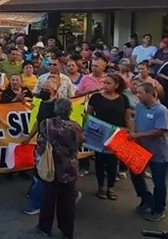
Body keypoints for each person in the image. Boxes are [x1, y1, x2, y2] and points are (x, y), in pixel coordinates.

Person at [37, 97, 83, 239]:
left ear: (55, 109)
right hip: (69, 169)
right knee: (68, 203)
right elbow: (79, 144)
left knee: (47, 199)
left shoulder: (47, 123)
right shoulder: (75, 127)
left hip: (51, 167)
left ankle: (45, 228)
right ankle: (66, 231)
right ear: (70, 110)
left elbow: (40, 146)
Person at [86, 74, 132, 200]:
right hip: (100, 133)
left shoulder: (123, 99)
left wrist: (131, 131)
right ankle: (101, 186)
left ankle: (110, 187)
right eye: (104, 83)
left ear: (116, 85)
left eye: (108, 83)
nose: (105, 85)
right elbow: (89, 116)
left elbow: (127, 117)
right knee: (100, 161)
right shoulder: (96, 97)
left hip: (117, 134)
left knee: (113, 162)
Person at [131, 82, 168, 221]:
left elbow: (161, 130)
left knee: (159, 183)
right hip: (140, 151)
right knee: (135, 175)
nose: (138, 95)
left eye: (140, 93)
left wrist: (139, 135)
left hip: (158, 154)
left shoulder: (161, 110)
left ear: (150, 94)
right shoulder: (139, 107)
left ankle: (159, 209)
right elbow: (135, 123)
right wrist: (133, 133)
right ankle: (147, 199)